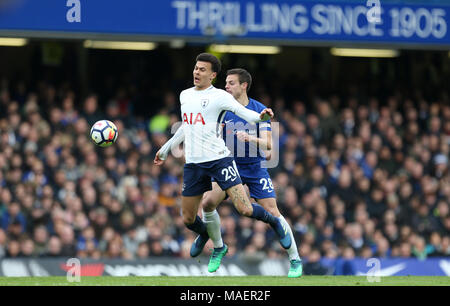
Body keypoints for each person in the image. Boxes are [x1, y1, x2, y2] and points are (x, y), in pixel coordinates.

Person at [154, 53, 291, 271]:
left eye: (202, 69)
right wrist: (165, 149)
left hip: (220, 160)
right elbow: (186, 127)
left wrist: (263, 116)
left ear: (213, 75)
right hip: (194, 164)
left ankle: (273, 221)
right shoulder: (185, 95)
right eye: (196, 68)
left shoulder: (220, 96)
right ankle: (208, 235)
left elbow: (249, 115)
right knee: (189, 218)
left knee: (245, 209)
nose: (197, 72)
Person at [195, 68, 302, 277]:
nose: (226, 86)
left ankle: (295, 260)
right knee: (207, 203)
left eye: (231, 83)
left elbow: (269, 145)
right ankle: (216, 245)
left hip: (254, 167)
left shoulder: (259, 110)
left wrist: (251, 139)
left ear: (244, 85)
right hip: (229, 166)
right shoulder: (222, 109)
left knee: (273, 211)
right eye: (225, 83)